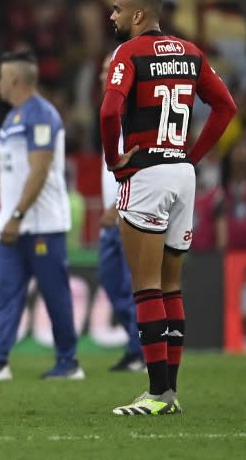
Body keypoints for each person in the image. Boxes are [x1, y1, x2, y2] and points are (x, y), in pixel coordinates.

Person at [99, 0, 235, 415]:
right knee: (172, 286)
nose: (113, 17)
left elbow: (107, 112)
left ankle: (156, 393)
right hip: (181, 173)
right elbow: (226, 107)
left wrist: (114, 159)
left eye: (118, 9)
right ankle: (170, 393)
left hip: (147, 175)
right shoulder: (190, 52)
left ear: (139, 15)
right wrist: (191, 156)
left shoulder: (129, 53)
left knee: (146, 288)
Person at [0, 50, 83, 382]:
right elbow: (18, 171)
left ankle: (68, 361)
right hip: (11, 224)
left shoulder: (40, 115)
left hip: (40, 224)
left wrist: (16, 215)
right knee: (7, 294)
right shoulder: (14, 117)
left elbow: (39, 171)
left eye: (1, 77)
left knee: (55, 293)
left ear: (14, 79)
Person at [96, 52, 143, 373]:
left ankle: (141, 351)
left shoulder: (133, 117)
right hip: (112, 220)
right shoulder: (111, 115)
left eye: (107, 70)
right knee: (112, 283)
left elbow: (139, 166)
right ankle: (134, 344)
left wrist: (116, 206)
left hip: (129, 214)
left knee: (133, 285)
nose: (102, 76)